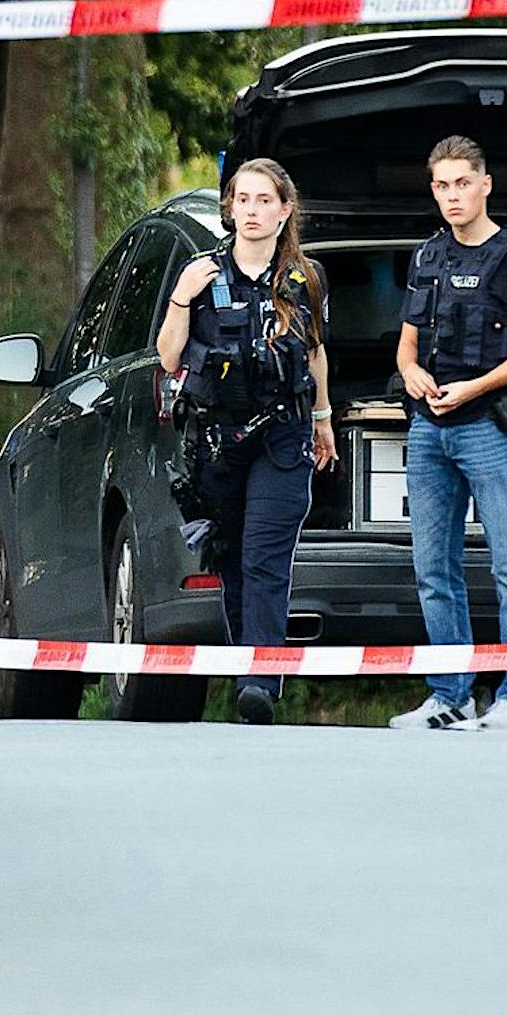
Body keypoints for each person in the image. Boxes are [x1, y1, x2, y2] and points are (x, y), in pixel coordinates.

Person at [156, 157, 335, 726]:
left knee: (264, 555)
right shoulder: (202, 273)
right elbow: (168, 357)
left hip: (283, 434)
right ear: (229, 209)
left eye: (264, 200)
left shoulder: (305, 278)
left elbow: (315, 354)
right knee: (231, 556)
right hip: (219, 440)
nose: (252, 211)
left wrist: (324, 419)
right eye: (243, 199)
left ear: (285, 211)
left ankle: (260, 681)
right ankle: (249, 665)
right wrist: (181, 297)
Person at [389, 136, 507, 733]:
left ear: (486, 184)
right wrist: (412, 374)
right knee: (433, 569)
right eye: (442, 185)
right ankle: (450, 695)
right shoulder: (427, 255)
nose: (452, 195)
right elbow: (407, 342)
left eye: (463, 183)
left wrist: (476, 386)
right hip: (428, 430)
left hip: (488, 425)